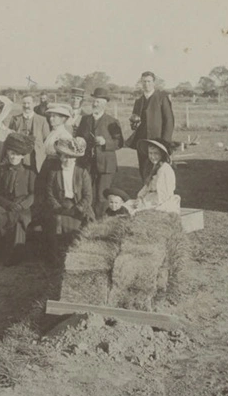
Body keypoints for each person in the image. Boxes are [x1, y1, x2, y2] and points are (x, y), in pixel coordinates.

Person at [0, 132, 36, 265]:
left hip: (21, 207)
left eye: (17, 154)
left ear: (22, 156)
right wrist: (6, 204)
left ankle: (13, 257)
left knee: (19, 221)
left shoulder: (29, 172)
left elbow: (33, 194)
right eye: (12, 153)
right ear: (7, 153)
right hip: (3, 205)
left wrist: (22, 205)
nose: (14, 157)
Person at [43, 137, 94, 262]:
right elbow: (49, 193)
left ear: (75, 159)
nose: (65, 160)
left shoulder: (82, 172)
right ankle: (57, 258)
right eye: (63, 156)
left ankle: (80, 255)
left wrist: (78, 208)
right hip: (60, 204)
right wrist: (57, 207)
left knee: (88, 223)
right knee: (53, 223)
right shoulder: (54, 172)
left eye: (68, 157)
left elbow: (88, 196)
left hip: (78, 204)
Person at [75, 87, 124, 216]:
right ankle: (87, 221)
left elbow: (119, 143)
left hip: (106, 165)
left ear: (105, 104)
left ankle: (102, 223)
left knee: (102, 197)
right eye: (94, 101)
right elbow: (79, 135)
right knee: (86, 194)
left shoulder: (112, 121)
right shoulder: (85, 120)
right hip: (87, 164)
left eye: (99, 102)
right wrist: (79, 140)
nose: (95, 104)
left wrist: (105, 142)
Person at [128, 71, 175, 182]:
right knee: (144, 170)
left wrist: (165, 143)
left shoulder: (161, 98)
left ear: (154, 83)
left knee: (159, 170)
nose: (146, 84)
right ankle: (145, 193)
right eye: (144, 82)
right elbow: (134, 123)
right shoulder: (138, 101)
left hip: (158, 141)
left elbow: (169, 121)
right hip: (142, 143)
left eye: (149, 81)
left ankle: (159, 195)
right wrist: (133, 124)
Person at [124, 139, 180, 214]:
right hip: (151, 198)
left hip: (161, 202)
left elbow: (163, 195)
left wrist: (144, 203)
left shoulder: (164, 170)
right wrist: (140, 198)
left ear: (162, 154)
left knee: (133, 212)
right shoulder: (154, 167)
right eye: (150, 153)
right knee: (125, 205)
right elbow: (147, 186)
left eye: (156, 153)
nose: (152, 157)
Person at [9, 94, 50, 173]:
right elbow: (10, 139)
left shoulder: (42, 120)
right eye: (24, 103)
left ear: (34, 104)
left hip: (36, 159)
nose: (26, 106)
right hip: (19, 159)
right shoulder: (15, 119)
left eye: (28, 103)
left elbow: (46, 141)